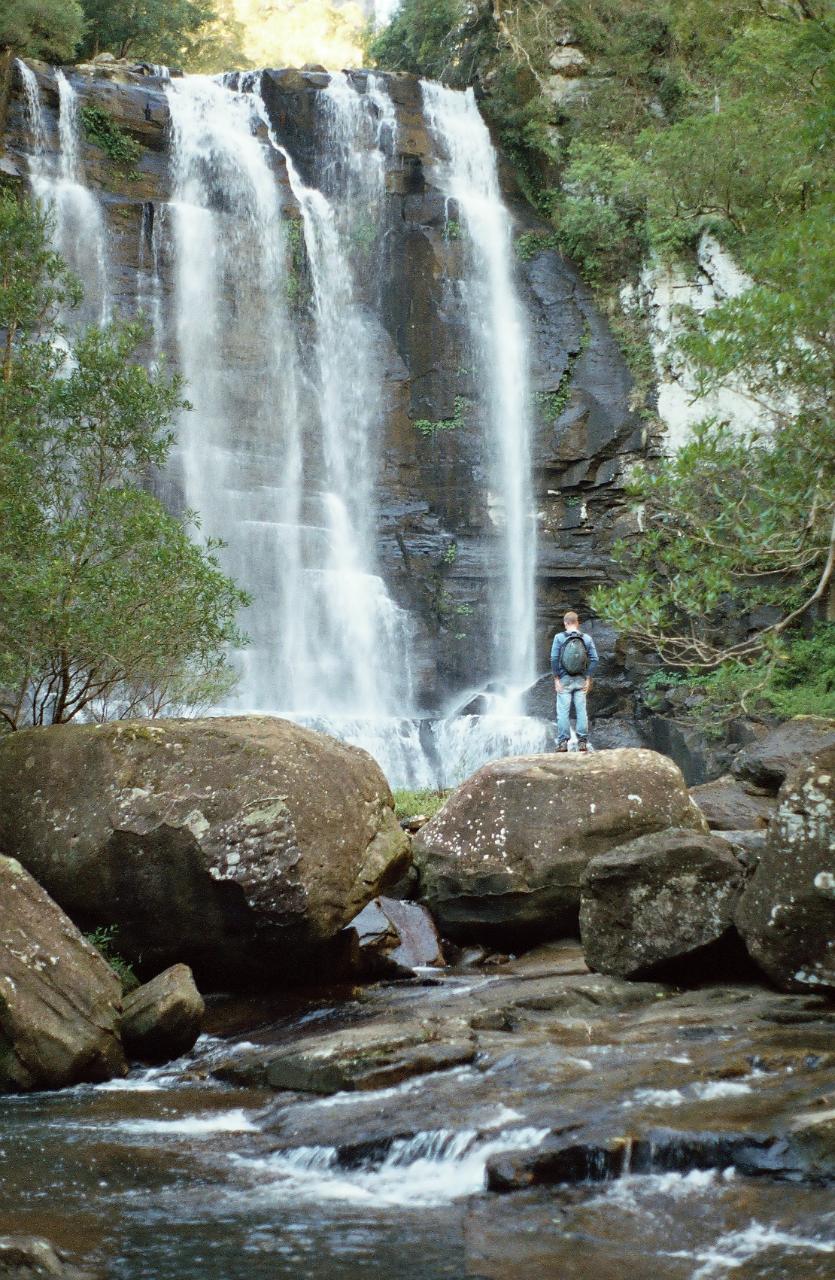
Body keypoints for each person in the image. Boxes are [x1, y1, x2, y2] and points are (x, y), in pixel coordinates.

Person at [550, 611, 599, 753]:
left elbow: (553, 659)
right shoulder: (587, 638)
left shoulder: (559, 637)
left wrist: (556, 679)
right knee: (581, 710)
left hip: (564, 680)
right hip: (580, 679)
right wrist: (588, 677)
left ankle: (563, 743)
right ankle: (582, 742)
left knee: (563, 712)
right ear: (577, 622)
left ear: (565, 623)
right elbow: (595, 659)